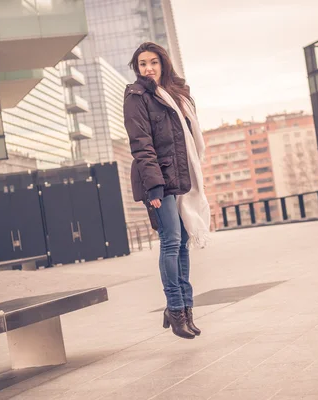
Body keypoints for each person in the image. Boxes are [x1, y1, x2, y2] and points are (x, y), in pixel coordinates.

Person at [123, 42, 211, 339]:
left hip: (181, 177)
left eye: (153, 62)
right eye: (142, 64)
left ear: (163, 64)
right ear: (137, 68)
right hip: (159, 181)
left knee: (182, 241)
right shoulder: (137, 96)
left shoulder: (177, 95)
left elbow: (186, 141)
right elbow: (142, 145)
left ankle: (185, 309)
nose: (148, 68)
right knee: (171, 242)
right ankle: (175, 310)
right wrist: (155, 187)